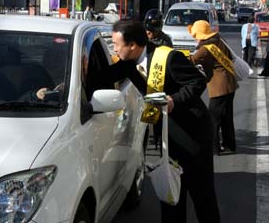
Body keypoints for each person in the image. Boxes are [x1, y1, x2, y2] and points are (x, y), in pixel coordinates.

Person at [94, 20, 220, 223]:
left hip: (192, 133)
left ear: (133, 45)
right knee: (170, 191)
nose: (114, 49)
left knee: (200, 192)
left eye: (117, 44)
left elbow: (197, 82)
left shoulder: (169, 57)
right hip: (165, 135)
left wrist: (174, 100)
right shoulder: (128, 63)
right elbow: (103, 77)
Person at [189, 20, 238, 154]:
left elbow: (191, 61)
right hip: (230, 83)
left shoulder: (206, 49)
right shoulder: (219, 40)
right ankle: (230, 145)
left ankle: (213, 148)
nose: (195, 38)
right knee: (226, 118)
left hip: (219, 89)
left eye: (196, 35)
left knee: (212, 120)